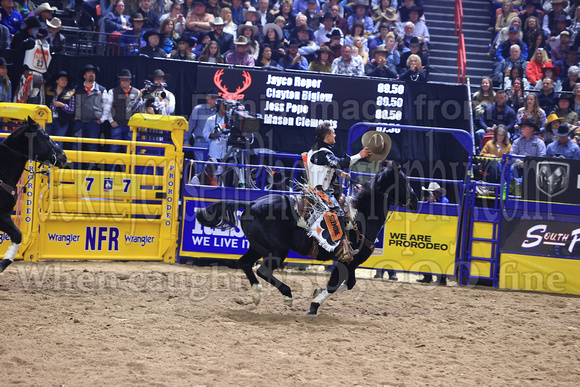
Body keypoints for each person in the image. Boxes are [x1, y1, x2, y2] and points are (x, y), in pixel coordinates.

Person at [306, 122, 372, 260]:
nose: (335, 135)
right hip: (322, 193)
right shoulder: (323, 152)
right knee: (339, 212)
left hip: (313, 189)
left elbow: (324, 166)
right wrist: (359, 155)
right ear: (327, 136)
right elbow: (340, 162)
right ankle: (342, 247)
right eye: (333, 133)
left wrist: (338, 172)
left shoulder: (315, 150)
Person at [104, 69, 140, 153]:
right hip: (118, 125)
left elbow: (139, 110)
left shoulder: (137, 92)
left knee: (130, 150)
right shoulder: (112, 91)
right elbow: (107, 108)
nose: (125, 81)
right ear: (120, 81)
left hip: (131, 126)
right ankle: (112, 166)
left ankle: (128, 167)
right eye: (123, 79)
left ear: (130, 81)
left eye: (127, 80)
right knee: (114, 148)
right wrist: (111, 121)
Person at [74, 64, 108, 152]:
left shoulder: (101, 89)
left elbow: (106, 106)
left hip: (94, 123)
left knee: (92, 146)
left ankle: (92, 166)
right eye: (89, 72)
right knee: (76, 145)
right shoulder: (77, 89)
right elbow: (72, 103)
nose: (91, 74)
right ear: (84, 76)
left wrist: (102, 119)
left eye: (93, 72)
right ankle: (75, 166)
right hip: (79, 122)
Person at [187, 87, 219, 167]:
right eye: (212, 97)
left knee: (213, 168)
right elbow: (189, 126)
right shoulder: (198, 109)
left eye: (216, 98)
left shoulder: (219, 112)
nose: (214, 100)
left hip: (214, 143)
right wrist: (186, 141)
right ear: (207, 98)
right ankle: (198, 179)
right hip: (200, 141)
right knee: (200, 167)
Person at [45, 71, 75, 143]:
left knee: (58, 142)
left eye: (66, 80)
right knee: (47, 141)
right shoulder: (48, 90)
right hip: (49, 119)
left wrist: (62, 105)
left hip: (62, 121)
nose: (64, 81)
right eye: (62, 79)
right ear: (57, 81)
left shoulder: (69, 93)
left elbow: (72, 110)